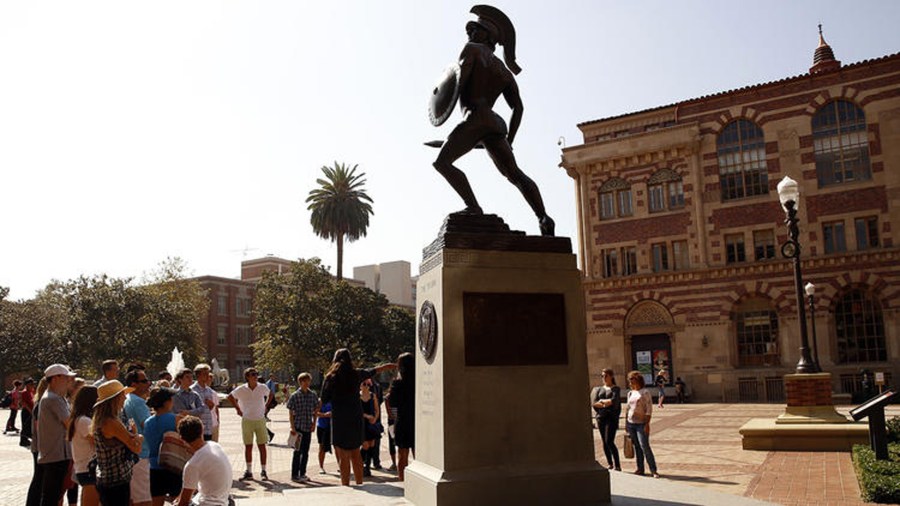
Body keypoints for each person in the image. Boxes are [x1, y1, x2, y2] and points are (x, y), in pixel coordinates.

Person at [430, 6, 554, 236]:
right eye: (470, 30)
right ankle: (543, 217)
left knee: (442, 163)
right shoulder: (504, 71)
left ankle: (473, 207)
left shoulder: (472, 50)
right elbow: (518, 108)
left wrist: (456, 129)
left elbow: (460, 80)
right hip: (494, 124)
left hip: (475, 118)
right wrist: (510, 138)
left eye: (476, 30)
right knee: (515, 174)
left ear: (488, 36)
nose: (470, 34)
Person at [321, 348, 396, 486]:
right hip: (355, 416)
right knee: (356, 452)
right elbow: (373, 370)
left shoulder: (330, 377)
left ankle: (345, 486)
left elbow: (324, 399)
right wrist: (388, 366)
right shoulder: (356, 374)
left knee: (343, 455)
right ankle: (360, 483)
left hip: (340, 418)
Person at [92, 379, 144, 504]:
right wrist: (138, 435)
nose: (125, 398)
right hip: (116, 481)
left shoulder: (103, 420)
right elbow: (136, 448)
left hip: (108, 479)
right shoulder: (111, 422)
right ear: (115, 399)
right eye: (122, 395)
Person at [35, 364, 78, 505]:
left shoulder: (57, 397)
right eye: (66, 377)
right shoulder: (53, 398)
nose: (69, 381)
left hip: (58, 454)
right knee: (51, 497)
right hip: (56, 455)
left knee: (53, 495)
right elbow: (70, 423)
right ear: (55, 378)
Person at [174, 415, 232, 506]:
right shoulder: (215, 446)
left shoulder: (193, 464)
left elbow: (184, 502)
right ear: (202, 430)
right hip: (225, 501)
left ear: (182, 439)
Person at [227, 367, 270, 480]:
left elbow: (271, 395)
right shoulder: (241, 389)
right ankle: (249, 471)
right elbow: (230, 397)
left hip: (260, 419)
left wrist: (266, 406)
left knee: (262, 446)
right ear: (247, 377)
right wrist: (237, 409)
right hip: (247, 420)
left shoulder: (262, 387)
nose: (255, 376)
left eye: (256, 374)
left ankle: (264, 471)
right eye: (252, 374)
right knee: (248, 446)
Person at [143, 387, 182, 506]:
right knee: (177, 500)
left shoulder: (147, 422)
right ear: (166, 402)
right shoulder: (176, 419)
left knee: (156, 501)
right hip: (173, 465)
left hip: (154, 466)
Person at [123, 369, 153, 506]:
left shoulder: (129, 399)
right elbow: (148, 425)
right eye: (144, 381)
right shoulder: (138, 402)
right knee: (144, 498)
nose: (148, 383)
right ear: (134, 384)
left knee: (133, 497)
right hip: (142, 453)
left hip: (135, 453)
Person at [67, 385, 99, 506]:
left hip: (85, 468)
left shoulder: (80, 419)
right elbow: (97, 441)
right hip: (87, 468)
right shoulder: (84, 421)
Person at [625, 371, 659, 478]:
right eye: (629, 381)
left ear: (638, 380)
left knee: (644, 446)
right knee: (637, 447)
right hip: (631, 423)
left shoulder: (645, 392)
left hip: (641, 423)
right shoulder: (630, 393)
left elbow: (649, 409)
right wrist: (626, 423)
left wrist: (647, 423)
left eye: (632, 380)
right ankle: (640, 469)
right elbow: (628, 408)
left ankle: (653, 470)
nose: (630, 383)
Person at [286, 372, 318, 482]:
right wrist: (292, 427)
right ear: (300, 382)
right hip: (298, 427)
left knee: (306, 452)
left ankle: (303, 473)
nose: (307, 383)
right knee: (297, 452)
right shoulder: (295, 395)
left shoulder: (313, 395)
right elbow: (290, 412)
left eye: (308, 381)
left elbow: (315, 410)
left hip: (308, 427)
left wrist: (314, 423)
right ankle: (295, 475)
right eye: (305, 381)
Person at [387, 352, 415, 480]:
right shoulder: (419, 380)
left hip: (402, 420)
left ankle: (402, 481)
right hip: (417, 421)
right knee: (419, 456)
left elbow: (392, 402)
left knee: (402, 455)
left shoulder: (397, 383)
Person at [591, 368, 622, 471]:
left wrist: (603, 402)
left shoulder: (616, 389)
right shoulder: (598, 389)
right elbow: (594, 403)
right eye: (602, 376)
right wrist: (606, 403)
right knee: (604, 441)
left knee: (609, 441)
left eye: (605, 376)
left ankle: (617, 465)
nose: (603, 378)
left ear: (611, 376)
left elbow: (615, 402)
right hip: (601, 418)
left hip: (611, 418)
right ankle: (610, 463)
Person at [192, 364, 220, 441]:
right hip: (197, 429)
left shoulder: (209, 391)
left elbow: (210, 409)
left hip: (208, 428)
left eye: (208, 373)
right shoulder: (192, 390)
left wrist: (211, 406)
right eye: (205, 374)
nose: (208, 376)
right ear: (198, 375)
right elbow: (190, 409)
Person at [359, 379, 381, 477]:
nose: (366, 386)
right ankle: (360, 463)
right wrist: (367, 416)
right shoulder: (357, 396)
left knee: (372, 444)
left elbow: (377, 409)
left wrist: (375, 418)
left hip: (371, 424)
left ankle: (367, 467)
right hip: (362, 424)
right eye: (364, 384)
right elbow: (356, 412)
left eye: (368, 384)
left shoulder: (373, 396)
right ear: (360, 386)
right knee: (365, 445)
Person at [315, 401, 333, 475]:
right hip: (322, 426)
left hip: (333, 426)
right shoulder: (321, 401)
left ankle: (340, 465)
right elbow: (316, 413)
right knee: (321, 447)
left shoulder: (335, 399)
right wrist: (325, 415)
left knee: (337, 447)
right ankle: (321, 466)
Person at [20, 377, 36, 448]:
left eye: (33, 384)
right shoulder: (24, 392)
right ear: (27, 385)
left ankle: (26, 439)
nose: (33, 385)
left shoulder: (31, 392)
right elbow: (24, 403)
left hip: (31, 410)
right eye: (31, 384)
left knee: (29, 425)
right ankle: (22, 441)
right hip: (26, 411)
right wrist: (30, 411)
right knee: (25, 425)